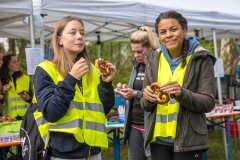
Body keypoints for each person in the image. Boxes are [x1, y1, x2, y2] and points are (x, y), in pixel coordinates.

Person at [32, 16, 116, 160]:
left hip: (93, 151)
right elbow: (51, 113)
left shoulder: (92, 70)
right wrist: (71, 79)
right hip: (63, 154)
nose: (79, 37)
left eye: (82, 33)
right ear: (59, 40)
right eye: (73, 33)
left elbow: (103, 109)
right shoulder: (44, 70)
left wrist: (106, 84)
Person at [140, 10, 216, 160]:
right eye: (163, 32)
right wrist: (148, 98)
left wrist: (181, 93)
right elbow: (145, 105)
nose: (168, 35)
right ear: (159, 36)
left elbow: (208, 103)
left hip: (188, 141)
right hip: (158, 140)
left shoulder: (201, 58)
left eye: (173, 29)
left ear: (184, 29)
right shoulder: (152, 59)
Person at [116, 26, 159, 160]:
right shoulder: (137, 64)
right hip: (134, 124)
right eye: (133, 51)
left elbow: (158, 95)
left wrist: (136, 94)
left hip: (151, 125)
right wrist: (125, 89)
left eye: (139, 51)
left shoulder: (159, 65)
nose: (136, 55)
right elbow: (135, 88)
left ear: (150, 47)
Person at [0, 54, 32, 119]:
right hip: (8, 119)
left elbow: (33, 99)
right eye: (14, 62)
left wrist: (28, 98)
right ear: (7, 64)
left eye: (17, 61)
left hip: (26, 118)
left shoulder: (25, 78)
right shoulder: (1, 80)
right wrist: (2, 91)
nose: (17, 64)